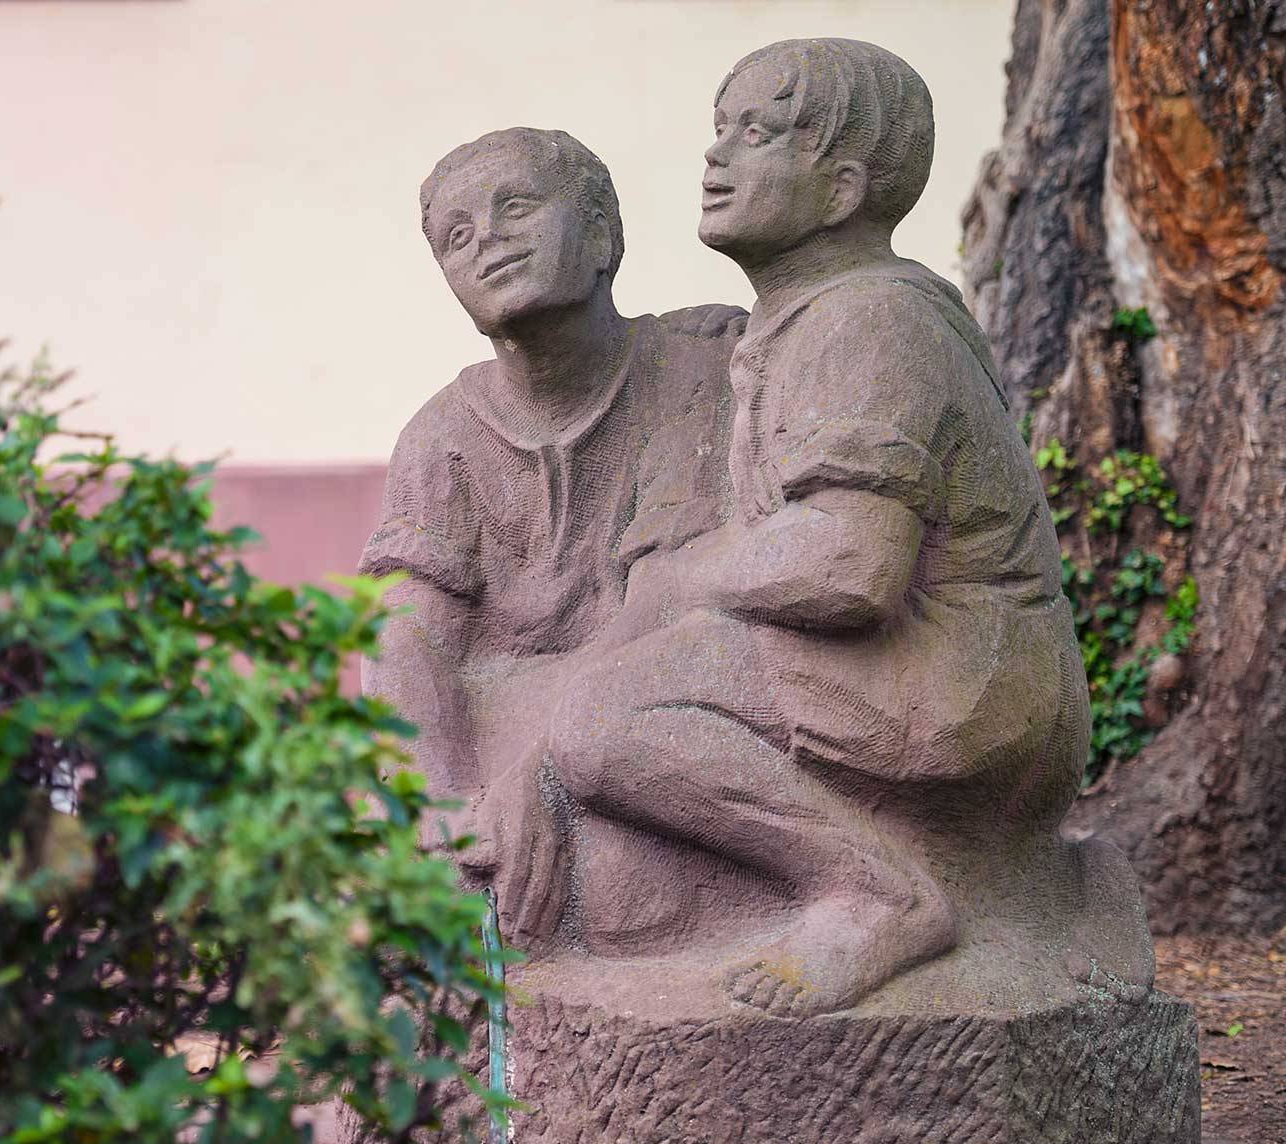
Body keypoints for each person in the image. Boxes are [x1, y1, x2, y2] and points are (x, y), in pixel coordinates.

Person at [501, 38, 1093, 1014]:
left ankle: (876, 894)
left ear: (843, 188)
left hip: (957, 681)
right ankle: (1053, 891)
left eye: (760, 134)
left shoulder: (870, 320)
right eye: (720, 130)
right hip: (920, 674)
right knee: (601, 723)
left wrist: (686, 579)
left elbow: (853, 565)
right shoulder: (804, 320)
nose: (717, 157)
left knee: (608, 719)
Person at [359, 128, 745, 944]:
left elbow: (671, 620)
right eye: (456, 237)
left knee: (623, 898)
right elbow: (404, 638)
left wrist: (540, 772)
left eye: (517, 207)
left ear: (603, 232)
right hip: (497, 736)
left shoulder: (692, 374)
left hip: (651, 729)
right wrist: (432, 806)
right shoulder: (442, 437)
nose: (487, 239)